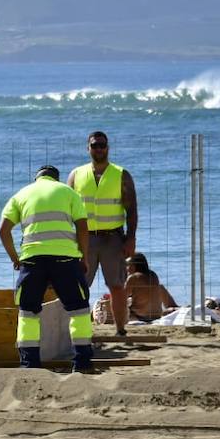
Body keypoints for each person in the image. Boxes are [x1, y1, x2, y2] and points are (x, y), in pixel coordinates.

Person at [0, 164, 94, 372]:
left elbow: (3, 230)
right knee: (78, 310)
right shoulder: (69, 192)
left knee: (28, 312)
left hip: (32, 261)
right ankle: (82, 364)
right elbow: (83, 227)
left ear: (37, 179)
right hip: (65, 259)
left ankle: (30, 365)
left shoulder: (22, 194)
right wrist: (84, 257)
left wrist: (15, 258)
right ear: (56, 179)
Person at [67, 131, 138, 337]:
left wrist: (131, 237)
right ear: (88, 148)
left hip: (113, 238)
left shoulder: (121, 174)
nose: (99, 149)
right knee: (80, 286)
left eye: (102, 145)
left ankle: (120, 329)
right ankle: (81, 329)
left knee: (117, 286)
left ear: (108, 147)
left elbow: (132, 209)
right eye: (95, 145)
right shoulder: (76, 175)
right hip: (84, 239)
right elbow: (67, 208)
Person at [124, 253, 177, 321]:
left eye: (127, 265)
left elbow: (122, 297)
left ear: (133, 266)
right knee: (160, 287)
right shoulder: (153, 274)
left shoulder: (133, 277)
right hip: (157, 316)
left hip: (139, 317)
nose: (126, 268)